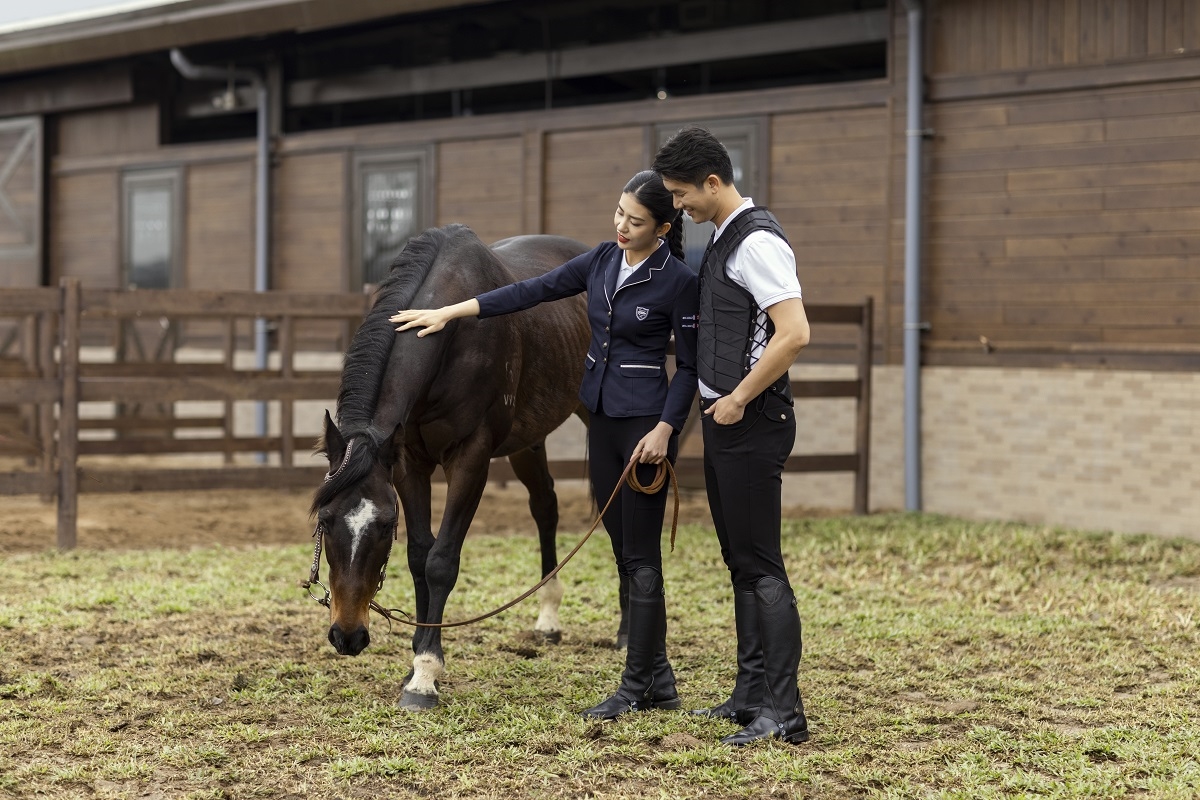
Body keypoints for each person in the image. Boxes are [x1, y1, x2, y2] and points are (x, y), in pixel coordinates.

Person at [390, 170, 699, 721]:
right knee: (619, 535)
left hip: (645, 423)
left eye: (636, 220)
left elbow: (691, 367)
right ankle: (658, 680)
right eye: (619, 214)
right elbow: (526, 293)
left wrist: (667, 429)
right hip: (602, 416)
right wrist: (449, 312)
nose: (623, 226)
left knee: (640, 551)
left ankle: (644, 681)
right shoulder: (602, 260)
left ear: (663, 227)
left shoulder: (678, 281)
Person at [652, 125, 812, 746]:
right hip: (726, 424)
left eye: (682, 193)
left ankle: (785, 710)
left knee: (762, 565)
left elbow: (794, 332)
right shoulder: (722, 237)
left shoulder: (757, 243)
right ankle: (750, 696)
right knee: (739, 562)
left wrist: (740, 397)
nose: (678, 206)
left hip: (751, 421)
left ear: (713, 182)